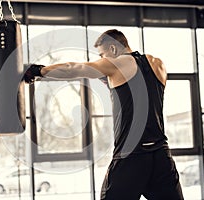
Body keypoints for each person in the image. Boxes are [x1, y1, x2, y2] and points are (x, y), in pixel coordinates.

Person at [23, 29, 184, 200]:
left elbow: (73, 69)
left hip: (131, 157)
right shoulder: (157, 64)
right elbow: (142, 94)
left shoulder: (119, 63)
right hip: (161, 156)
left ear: (113, 49)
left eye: (102, 55)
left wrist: (38, 71)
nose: (101, 60)